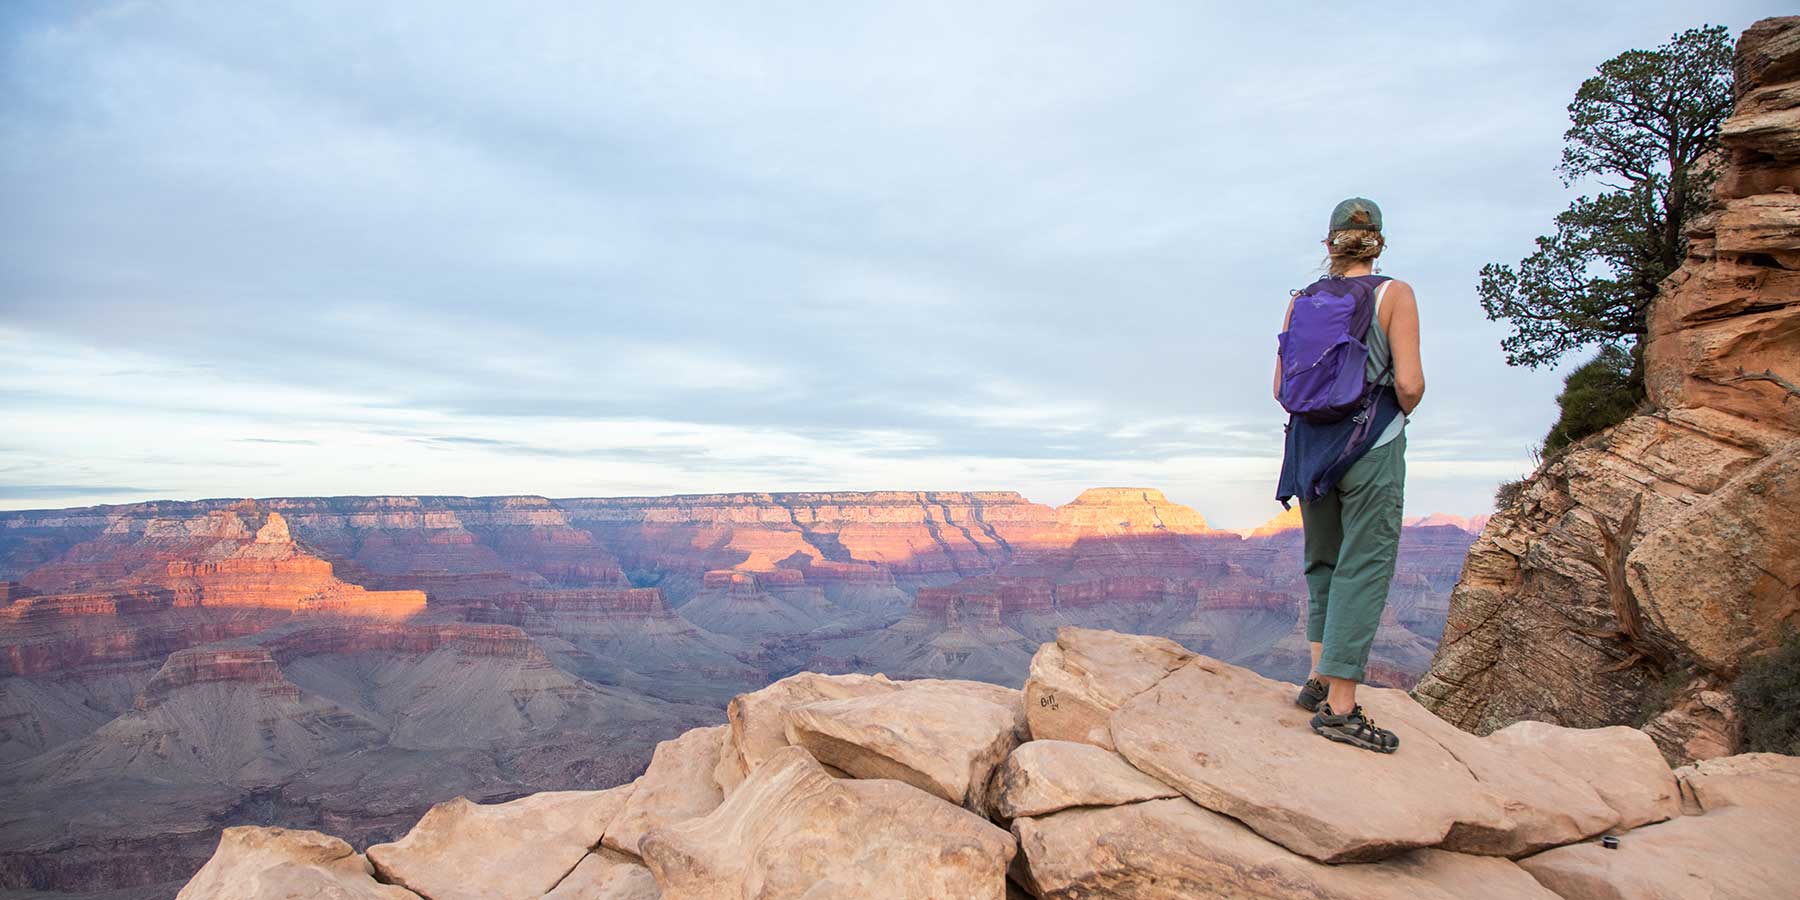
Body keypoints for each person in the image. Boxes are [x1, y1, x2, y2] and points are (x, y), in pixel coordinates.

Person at [1273, 197, 1424, 753]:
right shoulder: (1394, 294)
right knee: (1363, 564)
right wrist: (1394, 408)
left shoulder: (1301, 302)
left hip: (1310, 448)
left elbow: (1279, 388)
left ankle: (1317, 680)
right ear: (1378, 242)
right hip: (1370, 444)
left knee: (1324, 561)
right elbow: (1409, 383)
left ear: (1329, 245)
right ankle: (1341, 710)